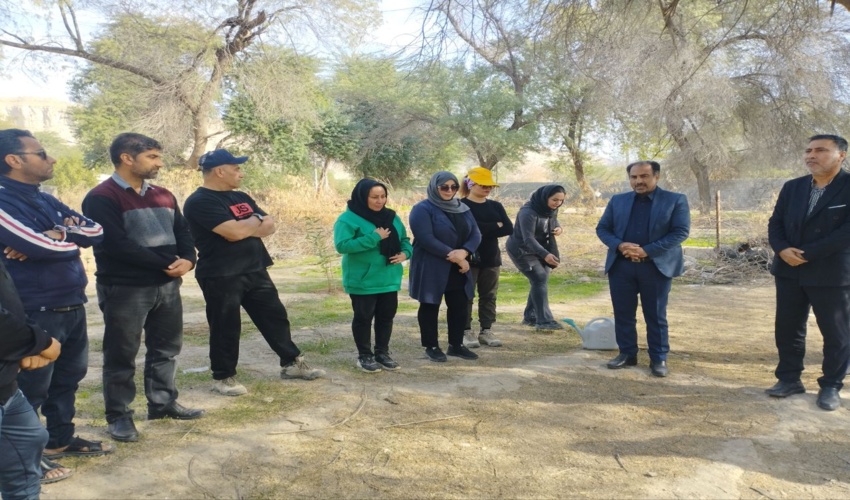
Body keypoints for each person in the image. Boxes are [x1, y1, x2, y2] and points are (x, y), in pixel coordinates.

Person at [0, 129, 112, 472]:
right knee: (30, 387)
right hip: (35, 308)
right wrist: (57, 242)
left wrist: (60, 233)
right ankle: (28, 457)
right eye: (42, 153)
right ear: (14, 160)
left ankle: (60, 438)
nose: (52, 159)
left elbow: (96, 230)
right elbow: (39, 246)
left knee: (68, 377)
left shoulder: (44, 198)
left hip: (70, 302)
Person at [82, 133, 204, 443]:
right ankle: (119, 416)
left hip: (166, 285)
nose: (159, 163)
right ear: (126, 158)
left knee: (166, 349)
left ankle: (162, 404)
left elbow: (183, 231)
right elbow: (115, 245)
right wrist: (163, 263)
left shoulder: (163, 194)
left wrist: (189, 259)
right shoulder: (101, 196)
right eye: (152, 157)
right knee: (122, 353)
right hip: (125, 289)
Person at [183, 149, 325, 395]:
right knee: (225, 326)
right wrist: (254, 221)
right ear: (219, 171)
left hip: (255, 267)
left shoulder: (241, 196)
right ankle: (224, 377)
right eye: (236, 168)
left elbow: (269, 226)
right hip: (221, 274)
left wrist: (249, 223)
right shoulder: (200, 201)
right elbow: (235, 232)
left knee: (275, 318)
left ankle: (291, 363)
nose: (241, 172)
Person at [766, 134, 850, 411]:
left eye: (821, 150)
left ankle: (831, 386)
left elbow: (845, 233)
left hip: (831, 273)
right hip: (789, 270)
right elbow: (775, 222)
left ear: (841, 155)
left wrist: (806, 254)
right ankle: (789, 379)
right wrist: (781, 249)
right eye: (809, 150)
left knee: (836, 332)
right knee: (788, 329)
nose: (811, 155)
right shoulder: (793, 187)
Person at [596, 161, 690, 377]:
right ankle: (627, 354)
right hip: (621, 266)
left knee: (655, 315)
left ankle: (659, 358)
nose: (638, 181)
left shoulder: (675, 200)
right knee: (623, 313)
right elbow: (603, 228)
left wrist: (647, 251)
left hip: (655, 267)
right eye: (634, 177)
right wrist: (619, 245)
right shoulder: (618, 201)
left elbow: (680, 232)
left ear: (656, 176)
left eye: (644, 176)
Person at [333, 178, 412, 373]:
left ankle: (382, 353)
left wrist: (405, 253)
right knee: (363, 318)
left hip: (389, 278)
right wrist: (374, 237)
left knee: (386, 317)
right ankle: (365, 356)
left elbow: (404, 240)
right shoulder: (348, 219)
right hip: (363, 279)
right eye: (374, 197)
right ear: (363, 197)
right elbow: (342, 246)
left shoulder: (392, 217)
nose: (380, 201)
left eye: (383, 196)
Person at [0, 257, 63, 498]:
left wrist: (31, 345)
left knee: (24, 477)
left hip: (7, 389)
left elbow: (8, 301)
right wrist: (42, 343)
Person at [409, 171, 482, 362]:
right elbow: (426, 238)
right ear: (435, 187)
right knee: (430, 305)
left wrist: (465, 252)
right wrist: (456, 257)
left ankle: (456, 345)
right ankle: (431, 346)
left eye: (454, 187)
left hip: (458, 266)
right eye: (444, 187)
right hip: (432, 265)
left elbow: (476, 234)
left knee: (459, 305)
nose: (449, 191)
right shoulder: (422, 209)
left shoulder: (462, 207)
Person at [459, 167, 512, 348]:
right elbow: (464, 229)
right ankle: (465, 330)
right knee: (466, 295)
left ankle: (486, 329)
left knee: (489, 295)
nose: (488, 189)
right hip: (467, 258)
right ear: (471, 184)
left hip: (491, 258)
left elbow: (508, 228)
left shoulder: (495, 206)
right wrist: (493, 226)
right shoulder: (460, 205)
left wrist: (480, 227)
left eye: (490, 186)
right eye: (483, 185)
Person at [506, 184, 566, 331]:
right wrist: (545, 255)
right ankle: (544, 321)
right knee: (539, 278)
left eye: (561, 201)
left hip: (540, 248)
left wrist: (559, 228)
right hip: (522, 250)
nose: (558, 203)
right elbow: (528, 239)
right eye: (555, 200)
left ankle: (530, 317)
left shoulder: (550, 208)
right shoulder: (528, 212)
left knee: (540, 280)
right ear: (545, 197)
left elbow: (553, 220)